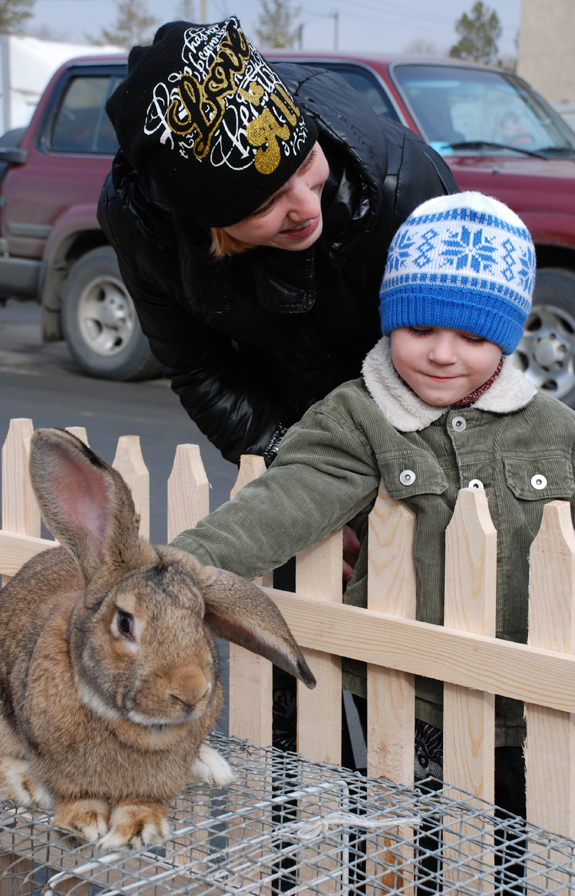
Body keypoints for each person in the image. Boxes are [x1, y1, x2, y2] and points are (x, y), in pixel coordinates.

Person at [169, 190, 567, 825]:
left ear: (506, 334)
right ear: (389, 321)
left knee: (527, 849)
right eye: (419, 328)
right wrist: (180, 569)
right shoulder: (359, 416)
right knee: (398, 844)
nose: (441, 353)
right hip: (402, 699)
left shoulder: (554, 430)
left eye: (471, 335)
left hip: (533, 706)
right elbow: (286, 496)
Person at [98, 16, 458, 471]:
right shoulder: (140, 225)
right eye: (265, 204)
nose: (308, 209)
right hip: (288, 406)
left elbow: (460, 352)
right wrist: (294, 469)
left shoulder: (402, 184)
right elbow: (199, 368)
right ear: (207, 222)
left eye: (307, 161)